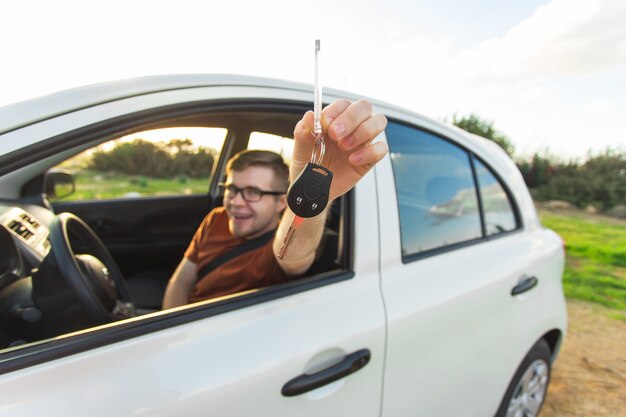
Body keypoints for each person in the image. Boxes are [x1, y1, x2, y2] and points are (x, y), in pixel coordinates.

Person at [162, 99, 388, 309]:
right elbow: (180, 282)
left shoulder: (274, 252)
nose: (236, 202)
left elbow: (294, 255)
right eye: (232, 189)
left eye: (253, 192)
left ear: (282, 202)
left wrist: (317, 193)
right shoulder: (217, 218)